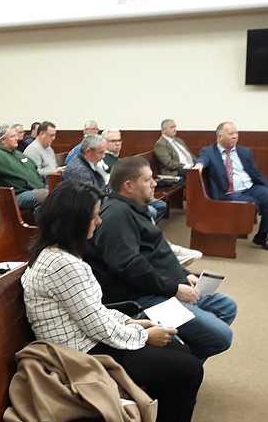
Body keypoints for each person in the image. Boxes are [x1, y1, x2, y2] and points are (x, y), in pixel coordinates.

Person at [22, 179, 204, 422]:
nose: (99, 220)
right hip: (79, 357)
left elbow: (94, 312)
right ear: (76, 222)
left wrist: (139, 325)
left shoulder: (58, 255)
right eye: (94, 216)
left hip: (87, 341)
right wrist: (146, 336)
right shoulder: (64, 264)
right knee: (187, 368)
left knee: (179, 354)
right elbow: (97, 327)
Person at [86, 155, 237, 361]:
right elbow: (128, 266)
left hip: (161, 289)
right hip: (144, 299)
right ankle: (183, 364)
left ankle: (184, 361)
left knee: (226, 306)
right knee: (221, 336)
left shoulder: (133, 209)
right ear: (129, 186)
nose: (154, 183)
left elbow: (155, 254)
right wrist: (173, 288)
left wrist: (183, 276)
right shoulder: (116, 216)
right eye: (147, 180)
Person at [195, 121, 268, 252]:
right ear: (219, 137)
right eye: (230, 133)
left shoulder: (244, 152)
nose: (235, 136)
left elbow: (257, 174)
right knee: (255, 204)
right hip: (228, 192)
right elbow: (202, 160)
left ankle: (262, 236)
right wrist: (198, 166)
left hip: (250, 187)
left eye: (236, 133)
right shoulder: (209, 151)